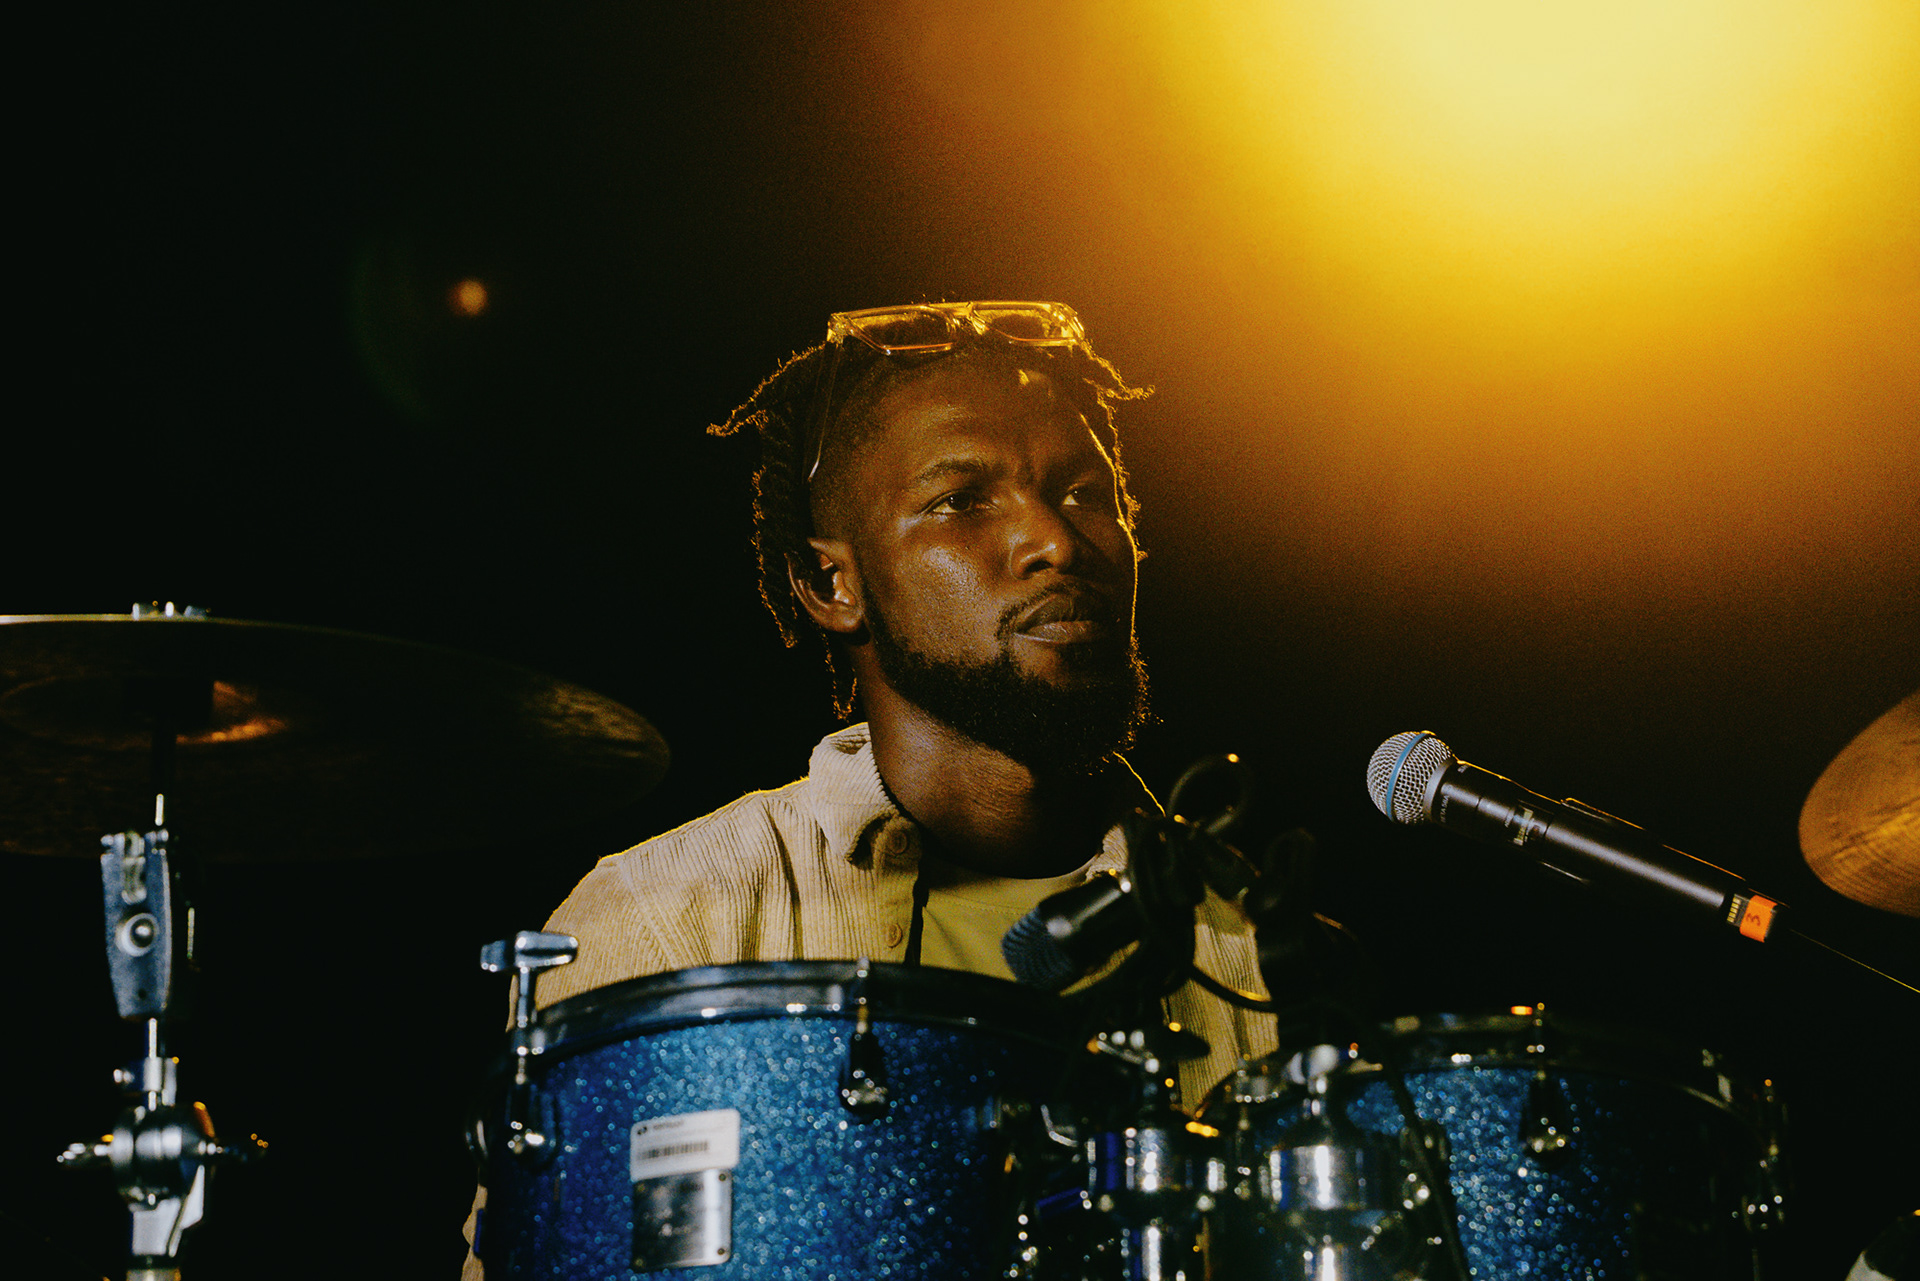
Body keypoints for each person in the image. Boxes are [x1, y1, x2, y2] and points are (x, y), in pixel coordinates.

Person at [460, 301, 1275, 1276]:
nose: (1054, 540)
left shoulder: (1251, 941)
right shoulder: (668, 923)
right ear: (829, 584)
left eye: (1084, 491)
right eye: (961, 500)